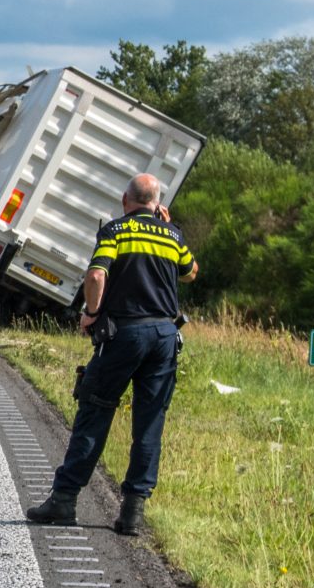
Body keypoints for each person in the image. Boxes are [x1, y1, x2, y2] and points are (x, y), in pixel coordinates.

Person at [26, 173, 197, 534]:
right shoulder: (173, 235)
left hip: (124, 334)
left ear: (125, 200)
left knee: (96, 410)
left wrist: (90, 314)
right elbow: (191, 273)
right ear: (157, 203)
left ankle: (64, 500)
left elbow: (96, 276)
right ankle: (132, 513)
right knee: (150, 422)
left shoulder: (116, 231)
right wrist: (169, 228)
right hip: (165, 336)